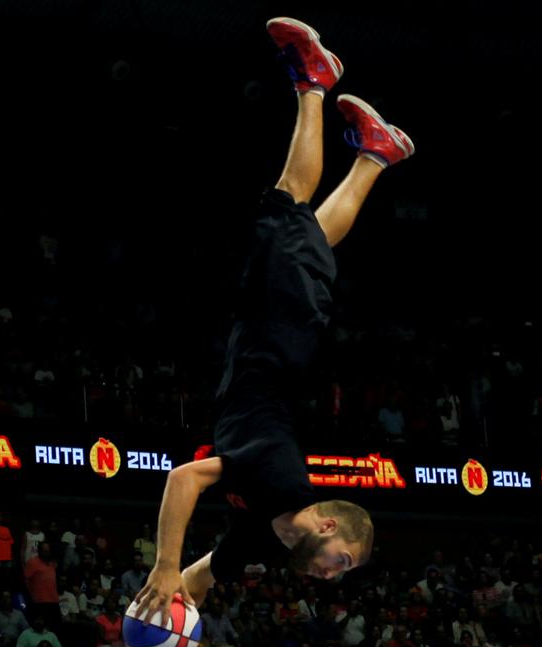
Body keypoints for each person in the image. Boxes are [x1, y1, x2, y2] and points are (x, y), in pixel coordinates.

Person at [134, 16, 410, 616]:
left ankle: (376, 157)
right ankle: (314, 80)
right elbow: (183, 479)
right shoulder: (280, 478)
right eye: (344, 564)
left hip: (268, 333)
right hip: (280, 332)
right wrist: (163, 566)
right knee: (287, 203)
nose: (337, 578)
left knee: (306, 238)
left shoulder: (265, 533)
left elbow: (203, 578)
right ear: (329, 527)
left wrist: (166, 620)